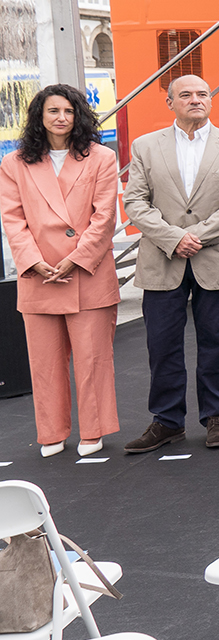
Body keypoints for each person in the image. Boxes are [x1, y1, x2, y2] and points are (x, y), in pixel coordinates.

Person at [121, 74, 219, 453]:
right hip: (163, 260)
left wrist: (196, 235)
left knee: (216, 342)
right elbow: (134, 203)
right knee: (162, 345)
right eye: (186, 95)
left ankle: (216, 416)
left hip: (216, 258)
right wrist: (173, 238)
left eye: (202, 94)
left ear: (211, 100)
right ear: (170, 103)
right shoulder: (146, 146)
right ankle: (166, 421)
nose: (196, 99)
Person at [0, 85, 121, 457]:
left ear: (79, 115)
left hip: (87, 271)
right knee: (45, 361)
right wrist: (34, 261)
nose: (61, 118)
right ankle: (51, 431)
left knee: (92, 358)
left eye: (68, 111)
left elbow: (104, 217)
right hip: (39, 273)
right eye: (53, 111)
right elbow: (12, 218)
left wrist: (75, 258)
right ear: (39, 116)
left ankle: (93, 429)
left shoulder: (100, 157)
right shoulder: (14, 163)